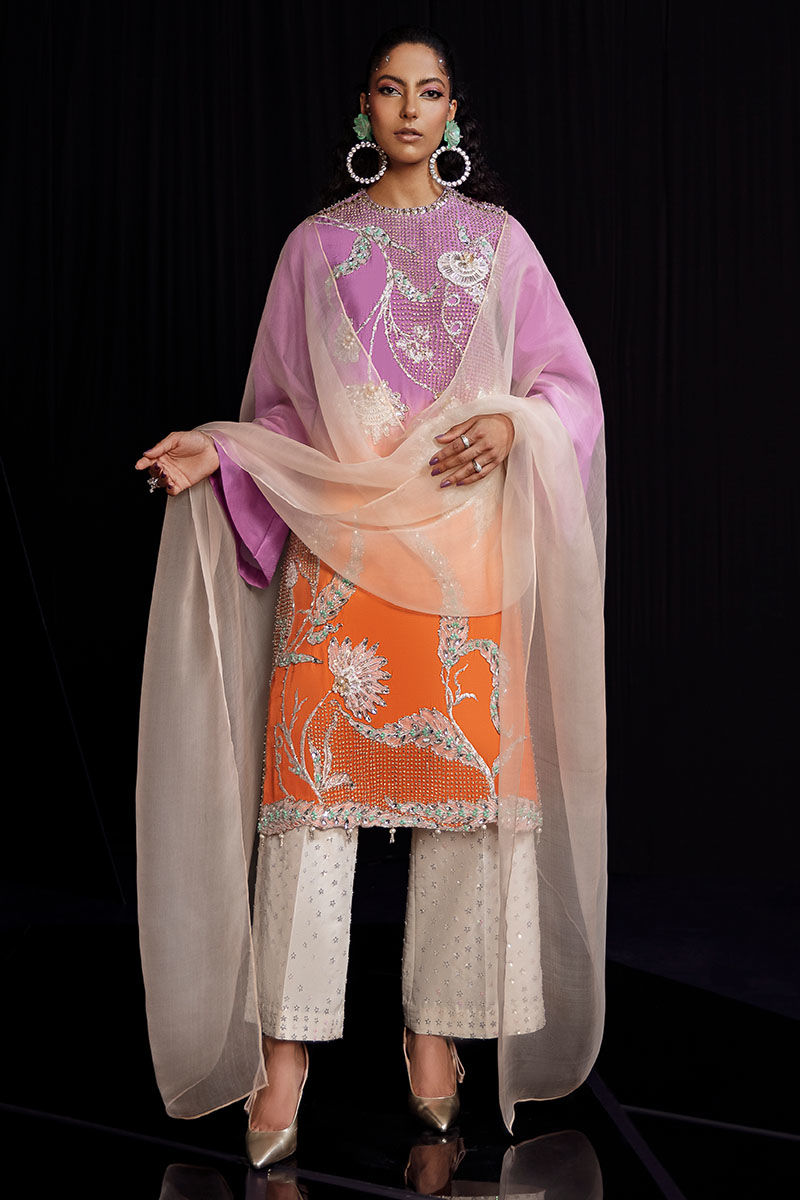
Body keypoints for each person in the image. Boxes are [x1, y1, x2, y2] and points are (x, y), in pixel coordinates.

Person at [135, 26, 606, 1169]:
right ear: (364, 109)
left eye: (428, 91)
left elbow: (566, 388)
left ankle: (434, 1034)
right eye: (389, 90)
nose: (407, 109)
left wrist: (515, 428)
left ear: (452, 114)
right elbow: (283, 413)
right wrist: (219, 451)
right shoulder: (316, 247)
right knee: (309, 811)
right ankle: (285, 1051)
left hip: (465, 557)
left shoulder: (498, 244)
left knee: (463, 812)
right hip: (339, 555)